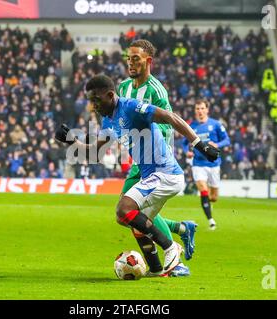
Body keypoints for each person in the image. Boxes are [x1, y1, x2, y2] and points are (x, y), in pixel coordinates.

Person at [55, 75, 220, 276]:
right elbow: (94, 153)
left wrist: (199, 144)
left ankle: (171, 247)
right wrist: (71, 140)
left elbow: (171, 117)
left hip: (164, 173)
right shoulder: (108, 120)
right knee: (129, 220)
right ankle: (158, 269)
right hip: (151, 176)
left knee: (124, 208)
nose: (93, 106)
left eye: (96, 100)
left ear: (109, 95)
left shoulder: (131, 107)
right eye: (91, 101)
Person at [118, 39, 197, 276]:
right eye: (128, 58)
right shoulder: (123, 88)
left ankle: (175, 257)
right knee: (131, 216)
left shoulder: (157, 91)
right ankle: (180, 231)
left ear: (148, 62)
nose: (131, 63)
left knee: (128, 212)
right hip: (138, 159)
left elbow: (167, 124)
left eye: (136, 59)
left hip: (154, 160)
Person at [183, 99, 231, 230]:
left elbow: (227, 140)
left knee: (213, 197)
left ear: (207, 110)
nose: (200, 111)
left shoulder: (215, 125)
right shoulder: (191, 126)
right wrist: (186, 151)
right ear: (195, 111)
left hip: (214, 164)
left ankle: (209, 203)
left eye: (202, 108)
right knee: (203, 190)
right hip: (198, 164)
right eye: (197, 109)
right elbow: (183, 142)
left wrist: (217, 145)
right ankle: (211, 220)